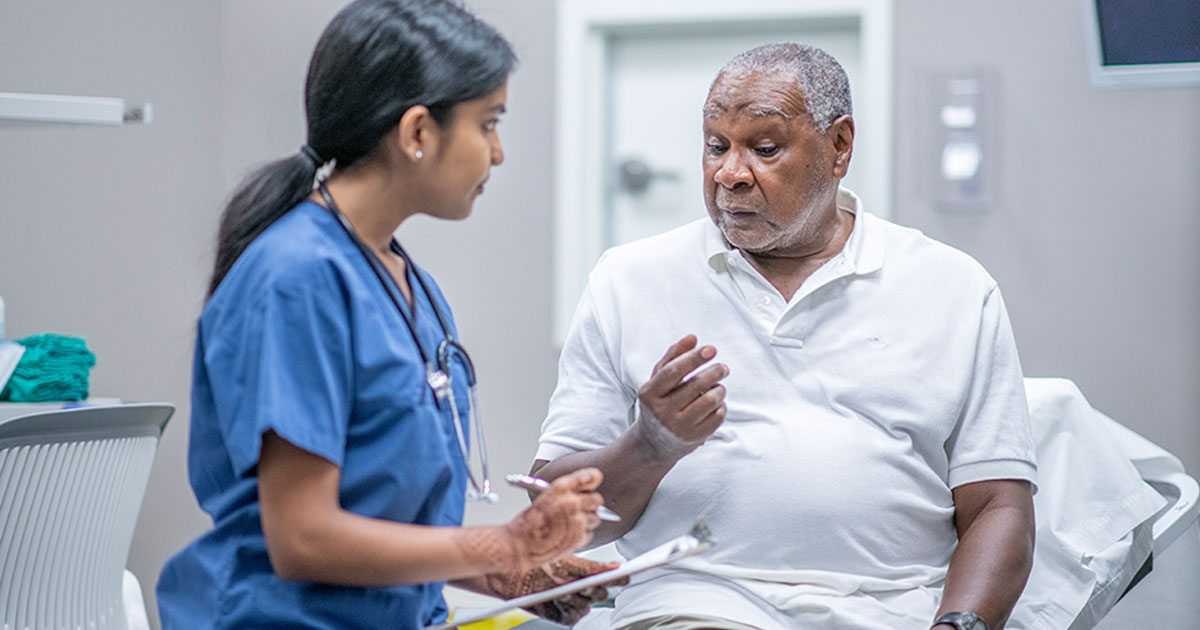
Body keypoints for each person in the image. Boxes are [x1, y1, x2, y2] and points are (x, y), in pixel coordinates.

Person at [533, 43, 1036, 630]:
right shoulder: (629, 281)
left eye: (764, 149)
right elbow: (553, 521)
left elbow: (999, 505)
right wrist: (650, 444)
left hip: (893, 610)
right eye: (716, 146)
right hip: (695, 606)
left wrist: (959, 624)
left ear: (839, 146)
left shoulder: (952, 287)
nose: (729, 173)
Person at [156, 1, 621, 628]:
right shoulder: (297, 278)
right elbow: (304, 539)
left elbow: (384, 526)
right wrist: (505, 543)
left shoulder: (411, 286)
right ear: (418, 133)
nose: (499, 152)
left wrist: (516, 573)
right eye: (488, 124)